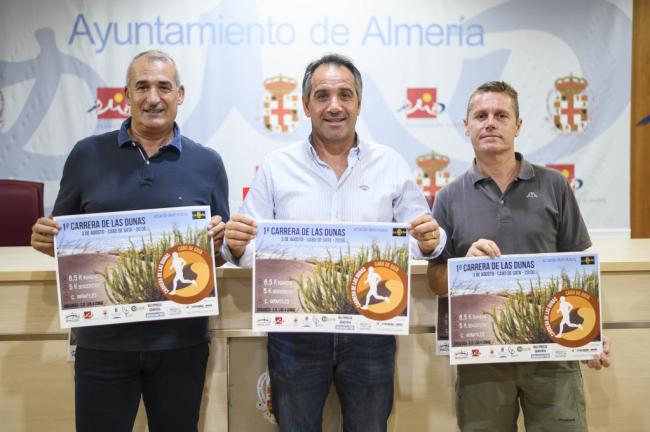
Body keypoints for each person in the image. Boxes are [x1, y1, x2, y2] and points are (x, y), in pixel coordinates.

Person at [223, 53, 446, 432]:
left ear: (359, 103)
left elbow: (415, 240)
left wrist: (429, 241)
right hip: (295, 334)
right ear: (306, 104)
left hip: (371, 333)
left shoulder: (390, 164)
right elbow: (248, 251)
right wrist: (239, 245)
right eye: (322, 95)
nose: (334, 106)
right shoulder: (277, 166)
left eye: (345, 94)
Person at [30, 50, 229, 432]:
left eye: (163, 87)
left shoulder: (208, 162)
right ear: (126, 95)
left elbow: (219, 254)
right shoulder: (87, 155)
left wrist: (220, 245)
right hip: (101, 342)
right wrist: (46, 237)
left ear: (180, 94)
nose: (153, 97)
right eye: (142, 87)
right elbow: (60, 233)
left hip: (180, 343)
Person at [427, 81, 611, 431]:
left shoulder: (554, 185)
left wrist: (593, 333)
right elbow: (436, 283)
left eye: (501, 115)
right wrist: (463, 266)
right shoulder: (448, 197)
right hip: (482, 357)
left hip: (553, 351)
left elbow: (579, 271)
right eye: (481, 116)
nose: (490, 123)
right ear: (466, 126)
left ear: (518, 125)